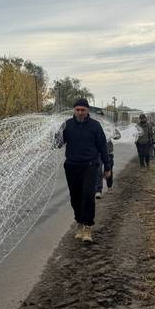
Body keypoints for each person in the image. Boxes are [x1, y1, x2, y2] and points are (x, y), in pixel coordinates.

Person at [55, 98, 111, 243]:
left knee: (88, 195)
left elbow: (103, 147)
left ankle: (88, 227)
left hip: (90, 165)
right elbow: (57, 145)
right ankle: (79, 222)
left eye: (83, 110)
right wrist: (55, 134)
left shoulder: (95, 126)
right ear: (74, 110)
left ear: (87, 111)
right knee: (75, 197)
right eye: (77, 110)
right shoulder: (67, 125)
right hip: (72, 166)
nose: (80, 113)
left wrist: (107, 167)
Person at [95, 127, 120, 198]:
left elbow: (118, 136)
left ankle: (109, 186)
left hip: (108, 152)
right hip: (97, 153)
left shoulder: (108, 126)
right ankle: (98, 190)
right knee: (98, 170)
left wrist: (114, 134)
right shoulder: (94, 125)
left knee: (109, 169)